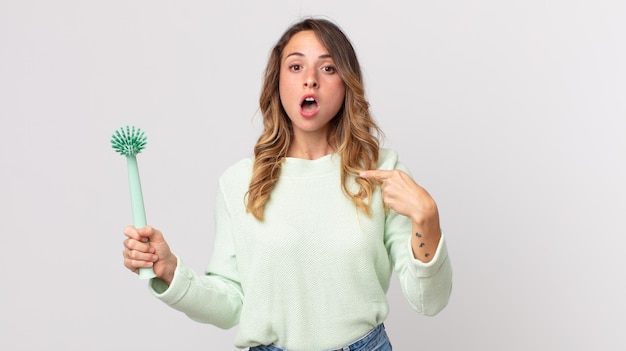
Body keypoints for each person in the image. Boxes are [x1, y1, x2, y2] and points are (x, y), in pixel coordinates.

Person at [122, 17, 452, 351]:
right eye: (296, 67)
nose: (310, 80)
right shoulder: (240, 182)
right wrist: (170, 270)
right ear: (277, 82)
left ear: (346, 84)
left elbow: (430, 301)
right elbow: (231, 302)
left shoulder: (382, 172)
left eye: (328, 68)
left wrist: (428, 219)